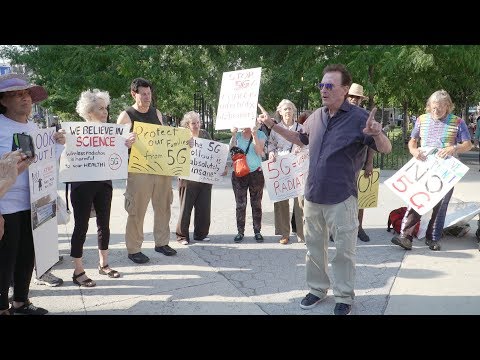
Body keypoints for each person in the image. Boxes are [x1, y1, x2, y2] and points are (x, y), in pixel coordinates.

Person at [258, 64, 392, 315]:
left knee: (344, 251)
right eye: (322, 85)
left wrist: (377, 135)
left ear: (344, 89)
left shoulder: (360, 118)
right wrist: (273, 125)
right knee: (314, 248)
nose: (324, 90)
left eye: (330, 85)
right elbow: (301, 139)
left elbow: (385, 149)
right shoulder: (316, 115)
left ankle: (344, 296)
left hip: (342, 197)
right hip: (313, 194)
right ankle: (317, 289)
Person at [0, 73, 66, 315]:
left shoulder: (35, 128)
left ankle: (21, 301)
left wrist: (58, 144)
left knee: (28, 253)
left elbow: (45, 161)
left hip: (34, 200)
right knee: (6, 258)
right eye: (16, 94)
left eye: (26, 93)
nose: (24, 98)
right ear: (3, 101)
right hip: (5, 202)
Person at [69, 89, 136, 287]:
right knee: (81, 226)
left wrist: (127, 144)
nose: (105, 112)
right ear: (89, 112)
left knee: (103, 224)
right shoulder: (76, 133)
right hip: (82, 185)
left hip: (104, 183)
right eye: (100, 108)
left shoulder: (112, 134)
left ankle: (104, 264)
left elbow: (117, 154)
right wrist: (64, 141)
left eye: (106, 108)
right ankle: (78, 270)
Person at [391, 89, 472, 252]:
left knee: (440, 205)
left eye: (440, 108)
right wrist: (414, 151)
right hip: (424, 167)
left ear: (448, 106)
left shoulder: (457, 122)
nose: (436, 111)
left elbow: (468, 144)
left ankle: (433, 238)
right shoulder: (422, 120)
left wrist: (453, 148)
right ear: (429, 106)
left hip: (446, 171)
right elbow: (412, 142)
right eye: (433, 107)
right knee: (416, 200)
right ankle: (405, 237)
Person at [117, 77, 177, 264]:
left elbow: (166, 136)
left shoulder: (156, 113)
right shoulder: (126, 115)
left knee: (163, 206)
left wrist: (184, 141)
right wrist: (125, 142)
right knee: (137, 209)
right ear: (133, 94)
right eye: (143, 94)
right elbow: (116, 144)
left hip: (161, 168)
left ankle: (162, 242)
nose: (147, 97)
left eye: (149, 93)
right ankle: (134, 249)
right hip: (138, 170)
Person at [268, 99, 305, 245]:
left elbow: (306, 145)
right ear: (280, 112)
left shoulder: (301, 128)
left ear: (294, 111)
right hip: (280, 168)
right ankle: (284, 233)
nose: (288, 111)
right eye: (285, 109)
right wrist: (271, 153)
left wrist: (300, 149)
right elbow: (270, 145)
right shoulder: (275, 129)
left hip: (298, 168)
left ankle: (302, 234)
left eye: (290, 108)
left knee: (300, 202)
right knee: (282, 202)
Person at [176, 111, 212, 245]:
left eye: (198, 122)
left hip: (204, 177)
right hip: (187, 178)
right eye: (193, 123)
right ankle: (182, 236)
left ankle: (201, 234)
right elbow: (175, 153)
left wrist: (221, 167)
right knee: (185, 208)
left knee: (204, 207)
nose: (196, 125)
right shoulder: (182, 135)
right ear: (187, 125)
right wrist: (185, 145)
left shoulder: (205, 134)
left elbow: (214, 152)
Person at [230, 119, 267, 243]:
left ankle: (257, 231)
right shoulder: (238, 135)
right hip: (239, 174)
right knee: (240, 204)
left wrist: (254, 134)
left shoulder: (260, 134)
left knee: (256, 204)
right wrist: (234, 135)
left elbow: (259, 151)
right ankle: (240, 232)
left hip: (255, 173)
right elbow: (231, 150)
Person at [347, 83, 375, 242]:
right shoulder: (338, 113)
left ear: (361, 100)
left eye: (357, 97)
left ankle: (359, 227)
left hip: (360, 163)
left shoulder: (365, 116)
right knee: (340, 199)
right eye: (351, 96)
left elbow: (371, 142)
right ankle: (336, 228)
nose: (353, 99)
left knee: (361, 198)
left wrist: (369, 163)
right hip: (342, 164)